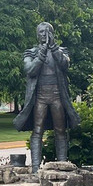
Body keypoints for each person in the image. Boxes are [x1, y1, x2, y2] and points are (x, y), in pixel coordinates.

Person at [13, 21, 80, 172]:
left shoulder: (61, 51)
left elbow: (65, 65)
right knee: (37, 130)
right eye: (41, 32)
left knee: (60, 130)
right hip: (40, 97)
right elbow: (30, 70)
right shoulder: (31, 52)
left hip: (57, 95)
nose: (43, 35)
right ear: (37, 35)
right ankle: (36, 168)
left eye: (46, 31)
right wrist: (42, 53)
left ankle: (62, 164)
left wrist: (54, 48)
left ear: (52, 33)